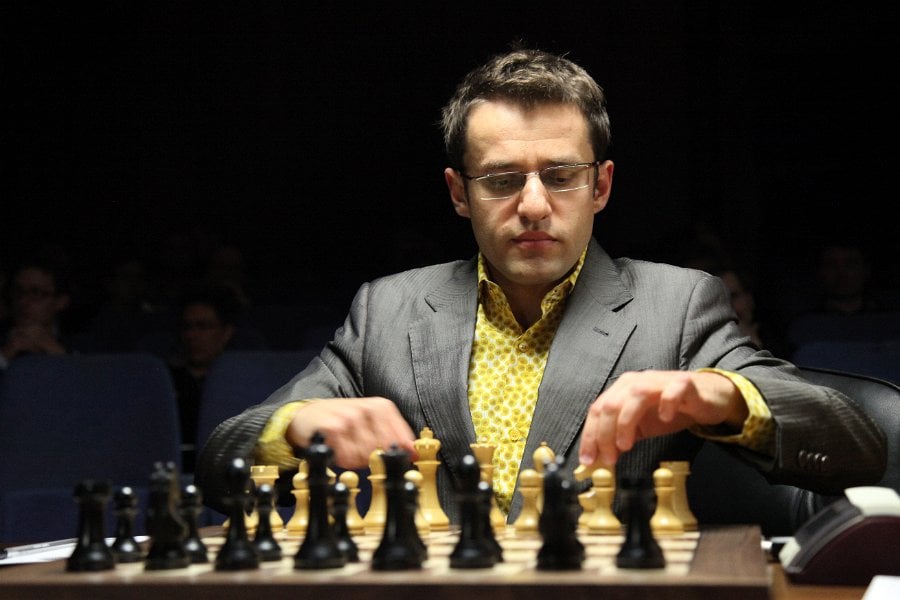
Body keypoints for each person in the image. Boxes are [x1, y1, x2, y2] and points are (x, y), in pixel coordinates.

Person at [196, 48, 886, 525]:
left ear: (601, 186)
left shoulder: (676, 306)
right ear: (458, 193)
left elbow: (856, 443)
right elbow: (222, 461)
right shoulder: (389, 309)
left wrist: (720, 395)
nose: (532, 205)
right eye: (501, 180)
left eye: (560, 176)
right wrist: (294, 427)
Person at [168, 284, 241, 472]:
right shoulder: (168, 383)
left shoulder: (240, 383)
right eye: (187, 327)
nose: (192, 335)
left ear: (226, 333)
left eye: (203, 327)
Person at [0, 260, 72, 370]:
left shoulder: (82, 343)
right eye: (19, 291)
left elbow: (87, 377)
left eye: (36, 293)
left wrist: (55, 350)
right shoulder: (3, 340)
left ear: (61, 302)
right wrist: (5, 354)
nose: (23, 301)